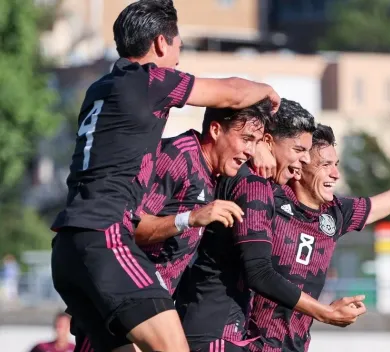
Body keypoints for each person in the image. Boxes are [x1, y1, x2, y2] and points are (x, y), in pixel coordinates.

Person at [50, 1, 281, 351]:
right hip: (105, 237)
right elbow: (232, 92)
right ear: (161, 43)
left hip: (67, 247)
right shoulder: (148, 81)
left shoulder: (100, 88)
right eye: (179, 48)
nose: (178, 59)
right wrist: (267, 93)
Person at [247, 124, 390, 352]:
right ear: (299, 167)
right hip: (247, 345)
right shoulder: (265, 199)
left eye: (336, 165)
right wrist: (259, 147)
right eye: (325, 165)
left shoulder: (336, 212)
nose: (336, 174)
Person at [71, 100, 272, 352]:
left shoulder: (214, 168)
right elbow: (126, 228)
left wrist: (262, 146)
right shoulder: (179, 156)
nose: (250, 150)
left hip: (145, 308)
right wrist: (189, 218)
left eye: (256, 141)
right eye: (245, 139)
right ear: (216, 130)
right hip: (118, 300)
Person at [176, 100, 366, 352]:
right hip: (217, 332)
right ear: (268, 141)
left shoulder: (239, 176)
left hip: (211, 323)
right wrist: (324, 312)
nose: (304, 160)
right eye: (299, 149)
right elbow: (260, 274)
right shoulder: (253, 185)